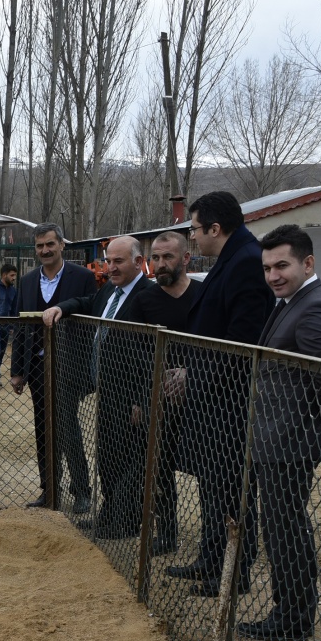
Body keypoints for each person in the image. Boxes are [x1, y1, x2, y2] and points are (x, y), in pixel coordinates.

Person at [235, 225, 321, 641]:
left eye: (282, 265)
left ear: (308, 263)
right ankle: (290, 610)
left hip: (290, 441)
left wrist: (319, 413)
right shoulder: (291, 301)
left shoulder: (315, 306)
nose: (273, 276)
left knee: (286, 529)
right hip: (275, 437)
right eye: (267, 268)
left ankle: (294, 617)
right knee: (279, 527)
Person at [164, 191, 272, 596]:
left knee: (229, 489)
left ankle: (232, 573)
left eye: (194, 229)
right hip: (214, 396)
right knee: (213, 487)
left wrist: (195, 375)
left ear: (214, 228)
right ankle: (210, 560)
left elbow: (240, 341)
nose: (192, 238)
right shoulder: (233, 258)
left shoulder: (246, 261)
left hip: (230, 400)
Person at [41, 235, 150, 534]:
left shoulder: (148, 295)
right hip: (107, 390)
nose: (110, 268)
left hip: (132, 396)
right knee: (108, 459)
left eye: (118, 262)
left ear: (138, 262)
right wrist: (61, 308)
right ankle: (109, 515)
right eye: (108, 261)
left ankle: (126, 523)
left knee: (129, 461)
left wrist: (143, 399)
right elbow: (87, 302)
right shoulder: (109, 294)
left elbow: (154, 354)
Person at [125, 230, 200, 554]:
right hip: (160, 402)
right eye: (155, 257)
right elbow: (133, 353)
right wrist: (141, 399)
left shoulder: (204, 295)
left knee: (209, 474)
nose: (160, 263)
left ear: (185, 258)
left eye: (167, 256)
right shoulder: (144, 301)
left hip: (203, 400)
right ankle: (166, 534)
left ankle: (216, 544)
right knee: (159, 469)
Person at [14, 223, 96, 509]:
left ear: (62, 244)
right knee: (42, 427)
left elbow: (90, 306)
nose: (45, 250)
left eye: (50, 244)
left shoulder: (83, 276)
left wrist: (67, 306)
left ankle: (81, 491)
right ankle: (49, 489)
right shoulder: (26, 281)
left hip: (69, 365)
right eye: (39, 246)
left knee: (66, 425)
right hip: (36, 367)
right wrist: (17, 370)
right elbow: (20, 327)